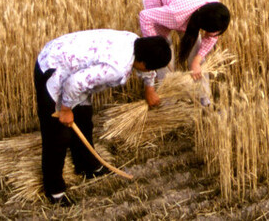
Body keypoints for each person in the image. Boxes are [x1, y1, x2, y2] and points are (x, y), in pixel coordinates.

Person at [34, 30, 171, 205]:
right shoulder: (118, 67)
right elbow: (74, 83)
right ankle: (54, 190)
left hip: (71, 65)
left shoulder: (137, 43)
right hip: (52, 65)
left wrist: (149, 88)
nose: (150, 71)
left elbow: (145, 66)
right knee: (57, 134)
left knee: (83, 119)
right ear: (143, 63)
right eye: (151, 68)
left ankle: (87, 166)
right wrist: (66, 109)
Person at [137, 0, 231, 107]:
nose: (213, 35)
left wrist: (196, 61)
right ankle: (168, 104)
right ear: (201, 25)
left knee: (199, 61)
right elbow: (145, 16)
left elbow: (211, 37)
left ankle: (204, 101)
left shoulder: (216, 10)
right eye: (210, 32)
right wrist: (156, 44)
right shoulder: (175, 15)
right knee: (164, 59)